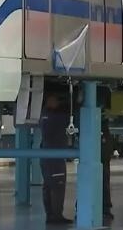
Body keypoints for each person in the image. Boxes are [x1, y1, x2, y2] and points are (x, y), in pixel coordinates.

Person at [40, 93, 72, 225]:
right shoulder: (54, 117)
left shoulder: (44, 115)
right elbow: (67, 118)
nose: (58, 103)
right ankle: (56, 216)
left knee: (48, 185)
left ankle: (50, 215)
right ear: (49, 101)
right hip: (55, 157)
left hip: (47, 156)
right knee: (57, 186)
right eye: (56, 100)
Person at [101, 117, 115, 221]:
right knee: (105, 185)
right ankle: (106, 209)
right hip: (104, 162)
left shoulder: (104, 132)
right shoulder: (106, 133)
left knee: (104, 185)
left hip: (103, 161)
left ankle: (105, 209)